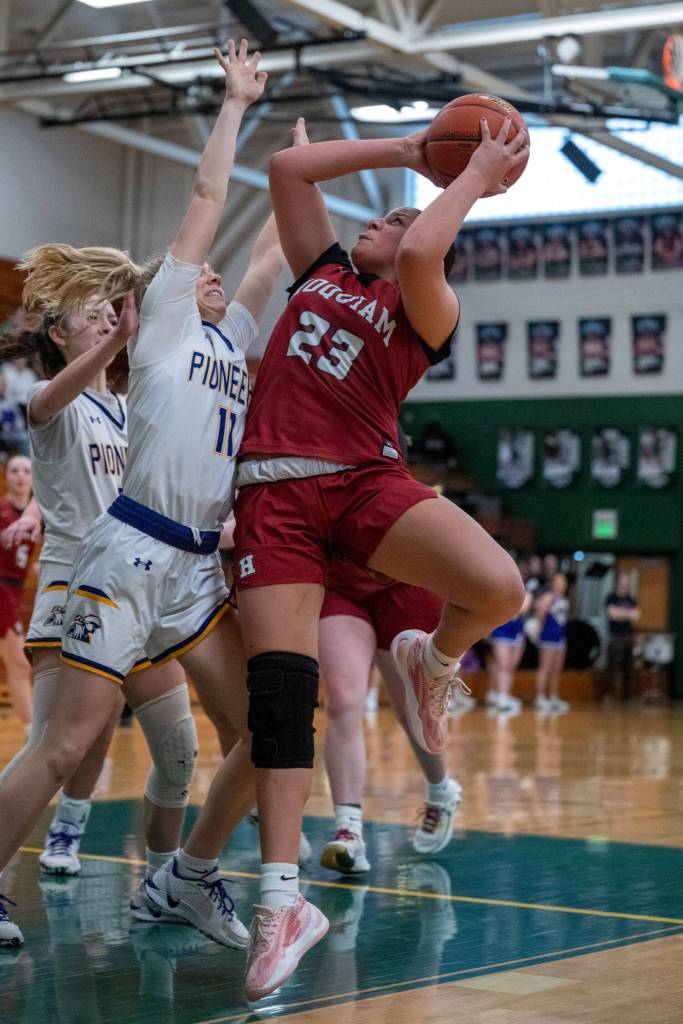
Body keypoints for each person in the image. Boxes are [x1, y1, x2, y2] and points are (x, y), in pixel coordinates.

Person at [229, 115, 528, 998]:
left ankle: (431, 659)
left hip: (363, 480)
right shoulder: (320, 271)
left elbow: (427, 245)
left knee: (498, 585)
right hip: (273, 493)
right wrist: (408, 151)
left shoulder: (423, 301)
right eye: (380, 219)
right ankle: (282, 902)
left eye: (391, 220)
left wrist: (466, 176)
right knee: (282, 695)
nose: (378, 224)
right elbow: (288, 168)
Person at [0, 38, 278, 953]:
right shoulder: (161, 319)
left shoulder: (228, 338)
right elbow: (206, 202)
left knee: (254, 733)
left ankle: (183, 879)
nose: (211, 273)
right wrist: (234, 104)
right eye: (195, 270)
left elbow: (271, 259)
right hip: (126, 553)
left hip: (196, 569)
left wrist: (301, 169)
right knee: (69, 745)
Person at [318, 556, 462, 874]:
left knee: (413, 709)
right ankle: (349, 829)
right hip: (339, 579)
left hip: (407, 572)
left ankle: (441, 790)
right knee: (342, 700)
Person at [0, 454, 36, 732]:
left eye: (26, 470)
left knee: (20, 666)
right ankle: (31, 733)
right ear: (6, 476)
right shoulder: (1, 509)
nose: (21, 475)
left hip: (16, 589)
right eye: (14, 470)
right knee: (20, 666)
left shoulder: (38, 515)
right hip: (1, 589)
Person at [487, 584, 532, 715]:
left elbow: (524, 608)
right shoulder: (498, 590)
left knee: (510, 667)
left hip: (517, 632)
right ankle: (501, 697)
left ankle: (504, 694)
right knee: (503, 665)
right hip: (501, 632)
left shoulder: (525, 590)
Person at [534, 573, 570, 713]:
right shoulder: (549, 597)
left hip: (560, 637)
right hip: (548, 637)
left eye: (564, 581)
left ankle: (554, 696)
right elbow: (540, 615)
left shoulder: (565, 599)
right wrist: (541, 631)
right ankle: (540, 697)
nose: (562, 584)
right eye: (560, 581)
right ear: (554, 582)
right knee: (545, 667)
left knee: (556, 669)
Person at [601, 571, 640, 701]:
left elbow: (636, 616)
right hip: (615, 636)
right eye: (623, 581)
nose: (625, 584)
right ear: (618, 582)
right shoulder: (611, 597)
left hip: (629, 636)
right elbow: (612, 614)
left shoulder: (631, 599)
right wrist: (627, 613)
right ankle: (608, 694)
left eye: (627, 582)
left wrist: (621, 613)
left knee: (629, 668)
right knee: (611, 667)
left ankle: (627, 696)